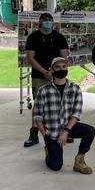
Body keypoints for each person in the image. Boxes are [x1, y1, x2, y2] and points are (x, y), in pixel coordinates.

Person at [33, 57, 95, 174]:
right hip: (51, 132)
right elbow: (37, 116)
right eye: (57, 67)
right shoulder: (43, 91)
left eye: (64, 67)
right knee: (56, 166)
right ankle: (49, 151)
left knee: (90, 131)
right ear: (52, 70)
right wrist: (45, 136)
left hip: (68, 128)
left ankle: (79, 160)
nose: (61, 69)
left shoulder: (75, 89)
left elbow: (76, 113)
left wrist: (66, 131)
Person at [23, 12, 69, 147]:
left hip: (57, 75)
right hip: (39, 76)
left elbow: (64, 57)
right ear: (40, 22)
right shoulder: (33, 37)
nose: (48, 22)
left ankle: (63, 132)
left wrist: (54, 70)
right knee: (38, 105)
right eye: (45, 20)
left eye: (50, 20)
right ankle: (34, 134)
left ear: (53, 22)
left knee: (60, 103)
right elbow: (30, 57)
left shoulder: (59, 37)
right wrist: (44, 71)